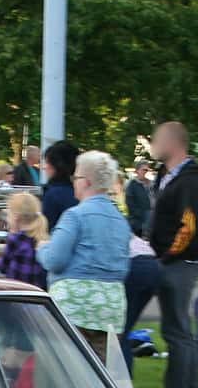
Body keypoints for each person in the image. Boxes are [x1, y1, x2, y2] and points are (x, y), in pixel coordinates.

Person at [140, 121, 198, 388]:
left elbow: (190, 225)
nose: (153, 146)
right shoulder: (166, 177)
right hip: (169, 258)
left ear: (173, 143)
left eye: (157, 140)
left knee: (177, 328)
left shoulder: (190, 180)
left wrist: (167, 255)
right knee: (176, 327)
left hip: (179, 261)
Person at [37, 149, 132, 351]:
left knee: (64, 373)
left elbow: (55, 260)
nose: (73, 181)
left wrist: (42, 248)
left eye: (76, 176)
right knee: (97, 375)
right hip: (112, 309)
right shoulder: (121, 221)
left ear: (86, 181)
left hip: (74, 307)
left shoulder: (75, 216)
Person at [0, 190, 48, 288]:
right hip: (36, 294)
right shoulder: (41, 239)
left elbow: (2, 266)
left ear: (16, 217)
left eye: (8, 215)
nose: (7, 219)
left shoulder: (16, 240)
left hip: (17, 291)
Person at [39, 140, 79, 229]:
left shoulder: (52, 194)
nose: (44, 167)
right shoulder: (81, 192)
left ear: (56, 166)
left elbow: (46, 229)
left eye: (47, 162)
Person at [124, 158, 154, 237]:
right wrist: (144, 215)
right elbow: (130, 204)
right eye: (143, 170)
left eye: (147, 170)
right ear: (137, 170)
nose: (145, 172)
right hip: (138, 223)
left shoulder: (150, 183)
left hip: (151, 221)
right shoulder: (132, 185)